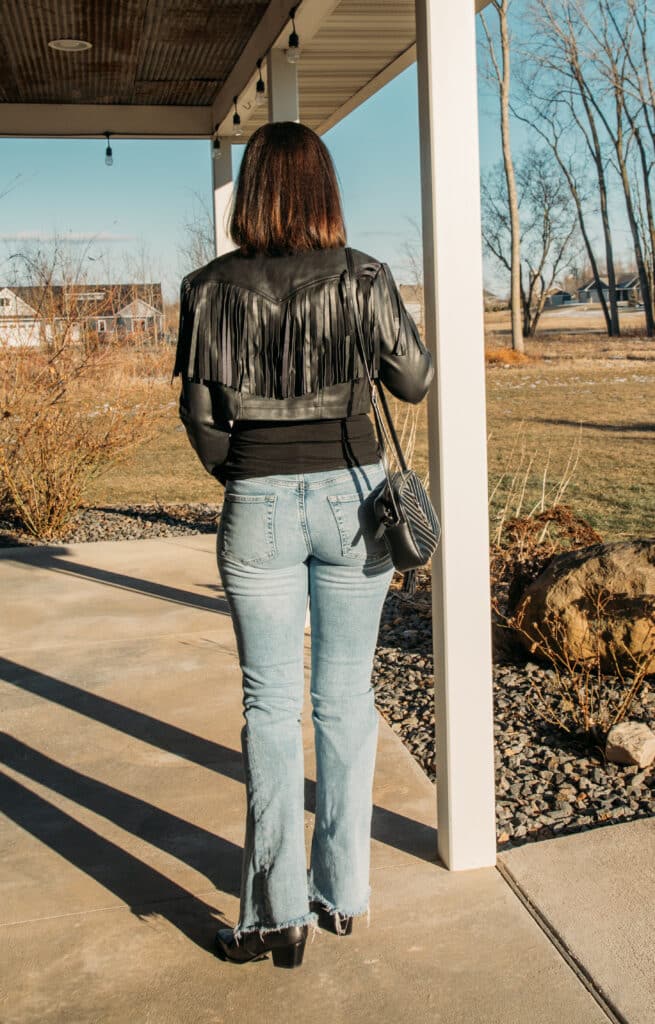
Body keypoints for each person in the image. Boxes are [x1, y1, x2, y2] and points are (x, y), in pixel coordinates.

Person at [174, 121, 433, 970]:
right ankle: (342, 894)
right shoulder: (364, 277)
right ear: (324, 190)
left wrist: (248, 476)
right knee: (343, 703)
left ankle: (276, 914)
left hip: (257, 501)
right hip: (354, 497)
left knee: (267, 707)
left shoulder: (207, 287)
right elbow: (413, 379)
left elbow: (203, 420)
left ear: (251, 192)